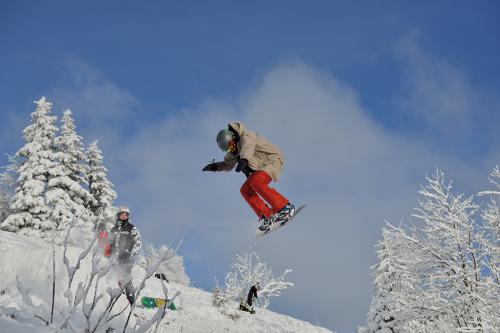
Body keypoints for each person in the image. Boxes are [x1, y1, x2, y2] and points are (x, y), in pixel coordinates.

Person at [203, 122, 295, 231]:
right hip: (261, 168)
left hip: (272, 160)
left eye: (231, 145)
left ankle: (285, 208)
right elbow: (228, 164)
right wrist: (215, 167)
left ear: (233, 138)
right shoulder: (233, 152)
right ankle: (268, 216)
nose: (231, 149)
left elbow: (248, 147)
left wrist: (244, 160)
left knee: (256, 181)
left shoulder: (246, 135)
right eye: (227, 149)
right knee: (245, 190)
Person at [107, 206, 142, 304]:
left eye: (126, 214)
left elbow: (138, 242)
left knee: (125, 277)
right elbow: (109, 243)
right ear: (118, 215)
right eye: (122, 214)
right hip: (115, 258)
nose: (124, 216)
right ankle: (121, 300)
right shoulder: (114, 229)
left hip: (126, 257)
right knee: (117, 278)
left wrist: (132, 253)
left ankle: (132, 301)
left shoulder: (131, 228)